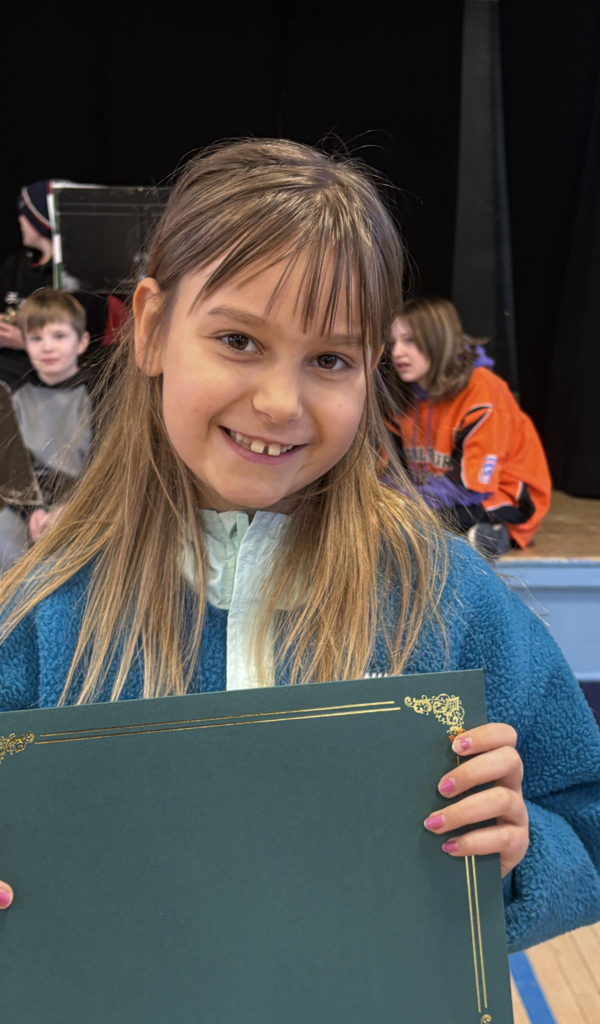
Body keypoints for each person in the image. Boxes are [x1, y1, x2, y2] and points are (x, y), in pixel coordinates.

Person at [0, 141, 597, 956]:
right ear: (153, 328)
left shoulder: (445, 595)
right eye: (238, 340)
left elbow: (584, 812)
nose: (281, 402)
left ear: (370, 371)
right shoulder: (45, 612)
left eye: (329, 359)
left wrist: (521, 852)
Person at [385, 297, 552, 557]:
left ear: (439, 340)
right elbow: (389, 469)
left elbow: (472, 488)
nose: (397, 352)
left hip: (498, 493)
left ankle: (495, 534)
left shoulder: (482, 390)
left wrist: (407, 504)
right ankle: (465, 536)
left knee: (416, 523)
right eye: (393, 342)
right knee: (383, 515)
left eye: (410, 341)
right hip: (435, 492)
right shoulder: (402, 394)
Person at [0, 181, 127, 390]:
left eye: (26, 214)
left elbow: (91, 347)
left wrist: (26, 341)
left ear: (42, 219)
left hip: (60, 375)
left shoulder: (77, 276)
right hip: (14, 363)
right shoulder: (17, 265)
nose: (20, 219)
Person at [0, 288, 92, 573]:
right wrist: (33, 512)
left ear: (81, 342)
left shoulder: (96, 395)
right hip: (30, 503)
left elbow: (106, 459)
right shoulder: (17, 398)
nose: (47, 347)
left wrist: (70, 507)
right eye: (36, 339)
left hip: (84, 499)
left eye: (59, 336)